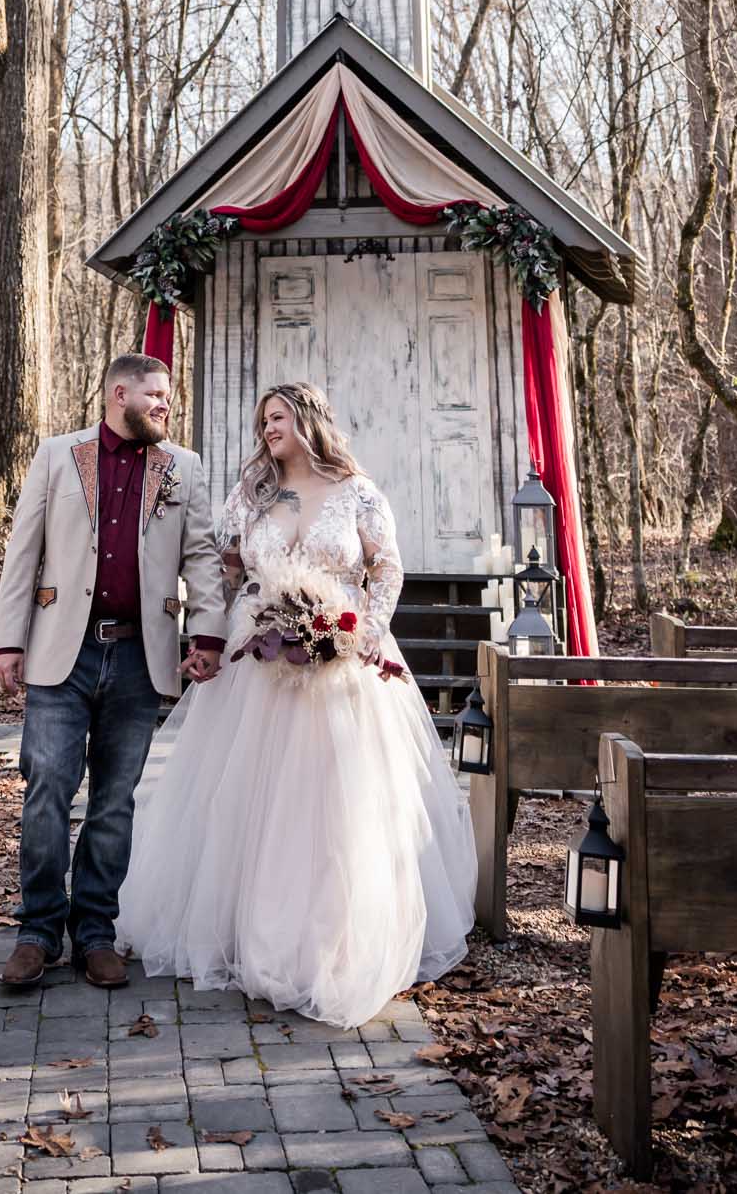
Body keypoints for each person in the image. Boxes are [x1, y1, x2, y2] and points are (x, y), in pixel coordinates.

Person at [117, 380, 476, 1027]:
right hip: (256, 660)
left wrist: (358, 635)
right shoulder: (252, 492)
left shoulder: (358, 493)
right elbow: (218, 562)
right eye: (263, 420)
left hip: (341, 666)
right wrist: (213, 623)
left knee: (333, 802)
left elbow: (385, 568)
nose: (268, 429)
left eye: (277, 417)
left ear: (308, 420)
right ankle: (248, 931)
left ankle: (327, 941)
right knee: (249, 797)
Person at [0, 353, 226, 989]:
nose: (166, 407)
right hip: (60, 654)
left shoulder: (184, 468)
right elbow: (24, 550)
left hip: (140, 657)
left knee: (114, 802)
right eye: (156, 396)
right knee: (46, 791)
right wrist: (6, 642)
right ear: (119, 394)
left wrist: (207, 635)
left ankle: (95, 931)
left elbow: (201, 555)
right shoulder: (58, 455)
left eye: (169, 398)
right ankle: (37, 931)